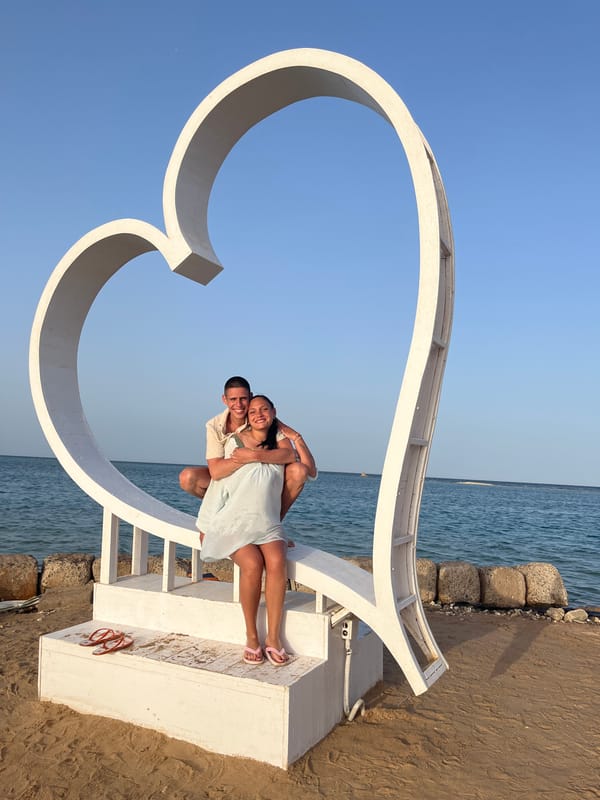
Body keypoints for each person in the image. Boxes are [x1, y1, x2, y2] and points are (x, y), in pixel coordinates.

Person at [196, 395, 316, 666]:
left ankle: (273, 638)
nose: (259, 414)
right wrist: (207, 526)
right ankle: (252, 636)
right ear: (246, 417)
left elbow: (305, 468)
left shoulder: (281, 445)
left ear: (274, 412)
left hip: (267, 525)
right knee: (252, 565)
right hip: (235, 522)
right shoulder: (235, 445)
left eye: (264, 409)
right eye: (253, 411)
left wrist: (294, 436)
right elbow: (219, 487)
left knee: (276, 562)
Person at [179, 376, 315, 518]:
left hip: (259, 479)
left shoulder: (260, 416)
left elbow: (290, 455)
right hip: (229, 479)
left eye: (243, 398)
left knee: (298, 471)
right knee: (188, 477)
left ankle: (273, 521)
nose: (239, 404)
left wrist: (253, 455)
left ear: (250, 396)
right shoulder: (214, 426)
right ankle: (228, 511)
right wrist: (242, 458)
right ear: (224, 400)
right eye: (233, 399)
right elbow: (216, 472)